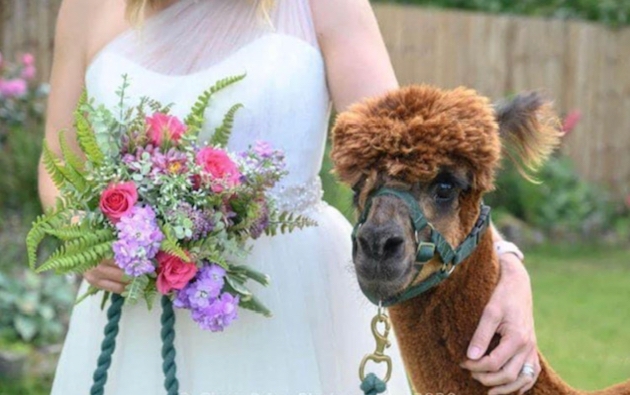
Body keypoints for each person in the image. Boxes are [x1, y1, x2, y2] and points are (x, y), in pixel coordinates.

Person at [39, 0, 539, 394]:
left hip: (294, 307)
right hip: (133, 310)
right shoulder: (85, 7)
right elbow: (55, 162)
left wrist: (509, 267)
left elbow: (411, 154)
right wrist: (88, 239)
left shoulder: (322, 4)